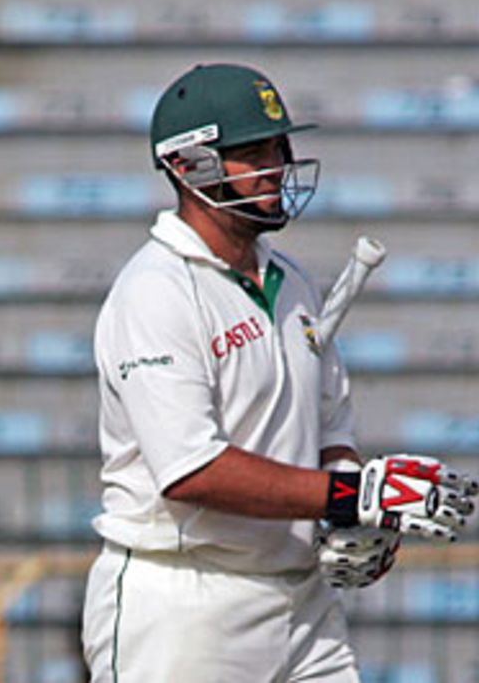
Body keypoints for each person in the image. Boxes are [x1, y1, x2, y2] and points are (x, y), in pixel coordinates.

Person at [81, 63, 478, 682]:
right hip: (186, 606)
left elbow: (330, 431)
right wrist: (352, 495)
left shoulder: (290, 280)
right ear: (188, 166)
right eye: (250, 153)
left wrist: (349, 514)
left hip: (303, 602)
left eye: (277, 147)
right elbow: (191, 471)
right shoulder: (154, 293)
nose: (274, 166)